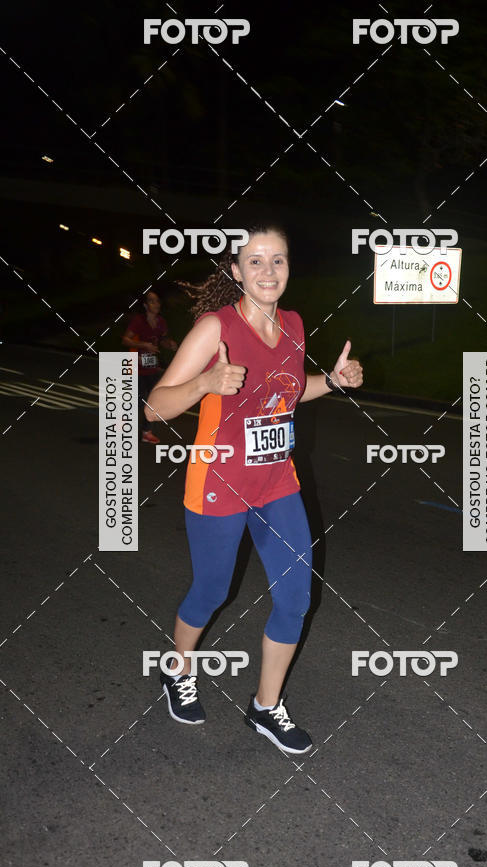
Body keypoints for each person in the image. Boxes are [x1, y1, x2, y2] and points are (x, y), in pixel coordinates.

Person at [146, 225, 363, 754]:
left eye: (278, 260)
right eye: (256, 261)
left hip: (276, 483)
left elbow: (286, 393)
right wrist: (204, 383)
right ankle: (177, 669)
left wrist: (332, 382)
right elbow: (154, 407)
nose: (268, 271)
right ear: (237, 271)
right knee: (212, 592)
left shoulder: (294, 325)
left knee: (295, 600)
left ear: (289, 268)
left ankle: (265, 707)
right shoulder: (214, 329)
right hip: (219, 484)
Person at [122, 290, 178, 444]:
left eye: (158, 301)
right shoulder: (138, 321)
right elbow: (125, 340)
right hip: (137, 364)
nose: (156, 304)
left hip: (152, 364)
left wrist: (170, 344)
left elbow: (162, 340)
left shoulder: (161, 322)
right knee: (139, 400)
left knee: (152, 400)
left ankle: (146, 432)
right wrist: (144, 345)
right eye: (152, 301)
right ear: (146, 305)